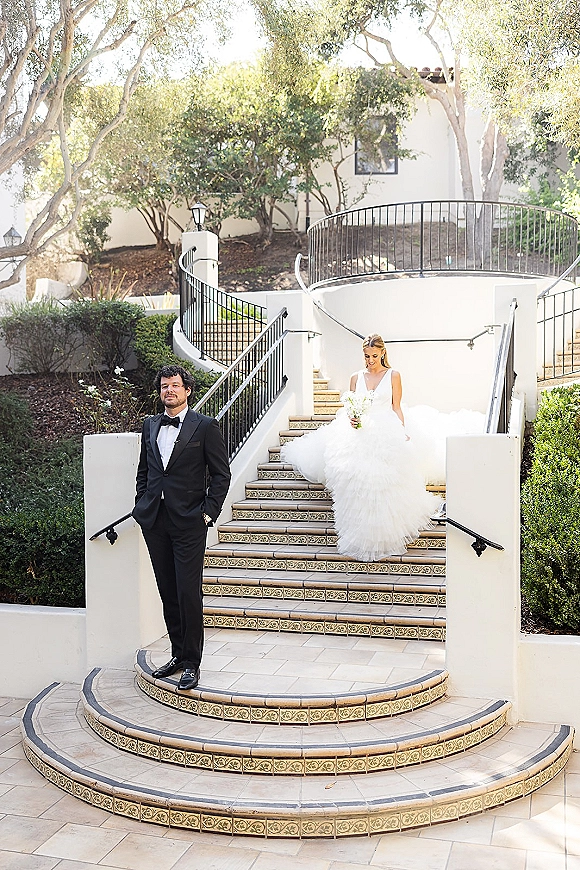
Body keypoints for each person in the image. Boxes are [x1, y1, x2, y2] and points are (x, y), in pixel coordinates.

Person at [282, 334, 439, 561]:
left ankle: (386, 533)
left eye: (374, 356)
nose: (370, 360)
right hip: (359, 433)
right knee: (357, 483)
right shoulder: (356, 377)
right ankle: (358, 533)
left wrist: (402, 431)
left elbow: (396, 407)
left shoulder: (394, 375)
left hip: (385, 432)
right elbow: (350, 408)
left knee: (384, 483)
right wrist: (352, 419)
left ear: (382, 353)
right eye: (366, 356)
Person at [132, 364, 231, 691]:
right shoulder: (150, 426)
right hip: (155, 520)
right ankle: (176, 654)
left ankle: (192, 662)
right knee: (168, 591)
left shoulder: (205, 427)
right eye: (164, 386)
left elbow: (221, 475)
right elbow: (144, 471)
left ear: (187, 390)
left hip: (190, 522)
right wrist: (142, 501)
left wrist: (207, 513)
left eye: (175, 385)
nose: (169, 391)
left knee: (188, 593)